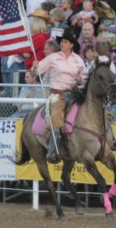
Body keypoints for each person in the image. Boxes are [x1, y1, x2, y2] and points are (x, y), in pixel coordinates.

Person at [31, 28, 86, 163]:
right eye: (62, 41)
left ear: (71, 44)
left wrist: (81, 79)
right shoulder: (53, 57)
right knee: (56, 115)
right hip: (57, 94)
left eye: (65, 42)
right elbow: (36, 72)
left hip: (73, 94)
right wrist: (34, 67)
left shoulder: (78, 60)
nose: (62, 44)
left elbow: (85, 76)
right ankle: (52, 148)